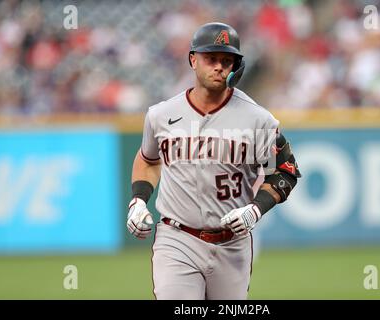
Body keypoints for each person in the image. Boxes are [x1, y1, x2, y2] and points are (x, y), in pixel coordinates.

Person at [125, 22, 301, 300]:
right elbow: (148, 159)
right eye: (211, 58)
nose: (219, 66)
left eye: (226, 60)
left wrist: (255, 209)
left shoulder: (257, 120)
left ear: (236, 67)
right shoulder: (161, 115)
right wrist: (138, 200)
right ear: (193, 60)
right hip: (177, 237)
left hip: (231, 243)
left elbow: (284, 172)